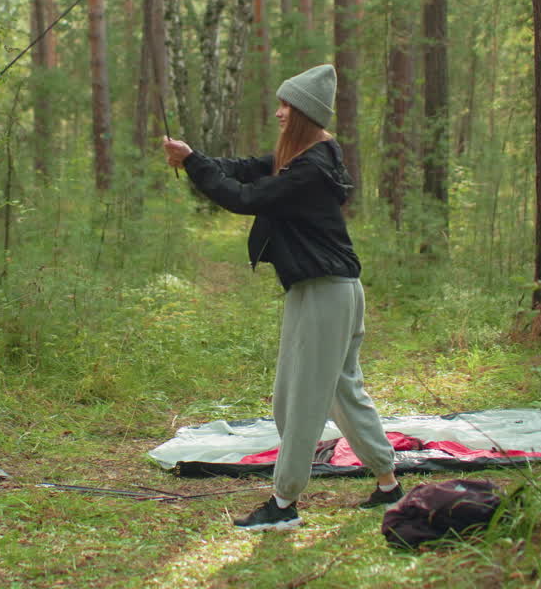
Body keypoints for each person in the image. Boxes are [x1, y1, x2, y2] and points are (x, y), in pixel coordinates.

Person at [162, 64, 403, 531]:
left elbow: (244, 198)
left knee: (300, 401)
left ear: (303, 115)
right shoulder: (307, 155)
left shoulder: (310, 169)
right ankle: (390, 486)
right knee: (341, 391)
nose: (278, 113)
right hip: (329, 290)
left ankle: (284, 505)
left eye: (285, 107)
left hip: (326, 294)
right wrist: (194, 157)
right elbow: (241, 170)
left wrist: (193, 164)